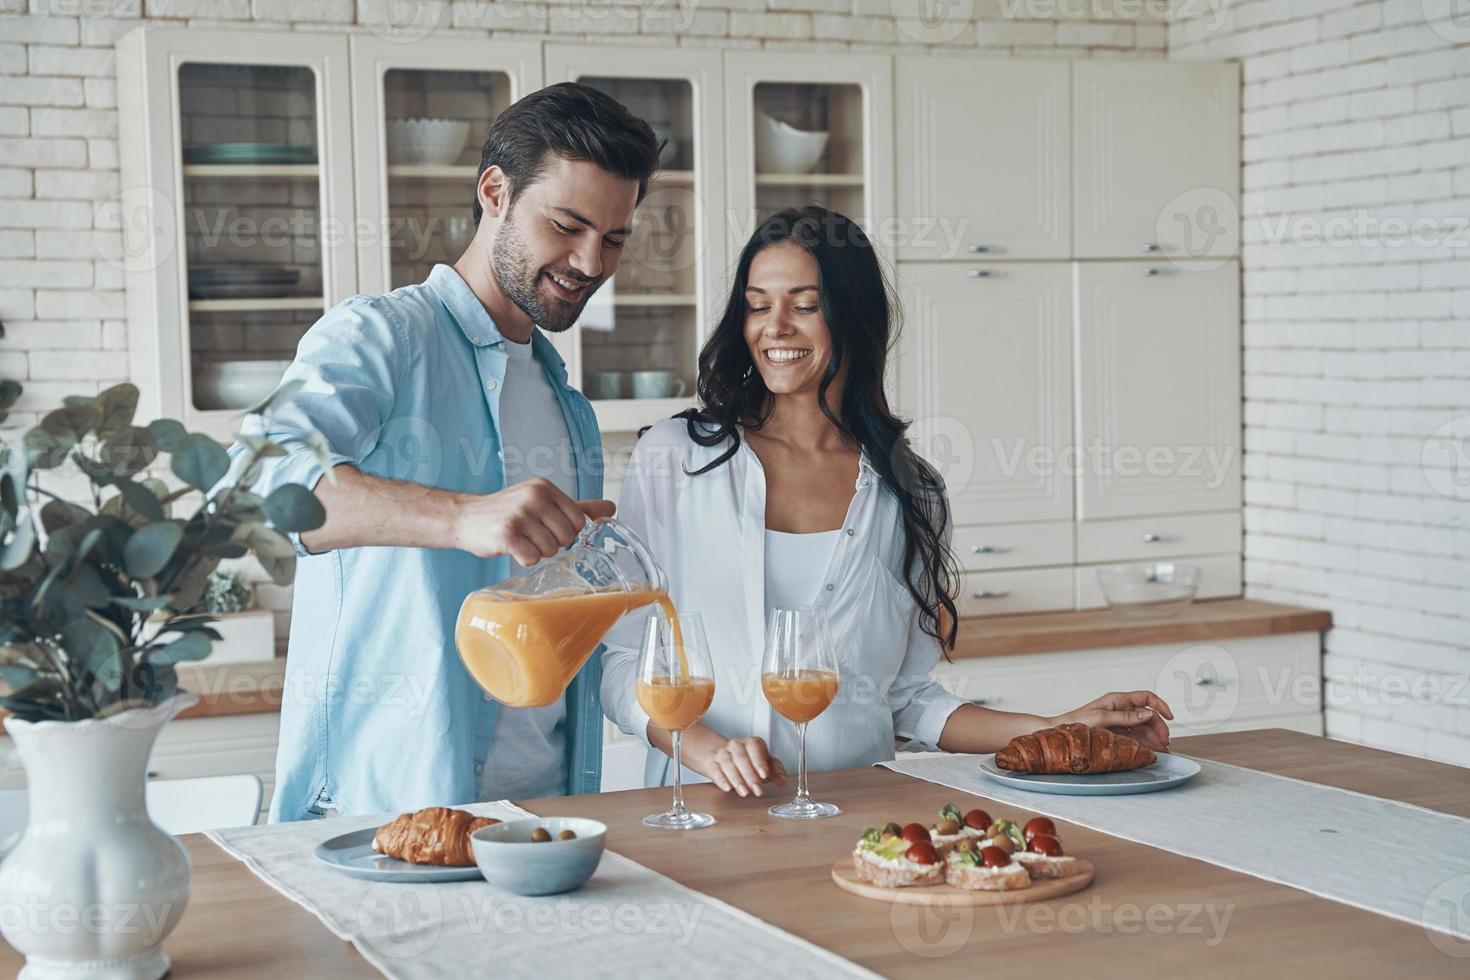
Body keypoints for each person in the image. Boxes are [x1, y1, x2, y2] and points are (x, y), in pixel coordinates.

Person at [601, 206, 1174, 796]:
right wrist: (703, 747)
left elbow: (904, 700)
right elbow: (622, 665)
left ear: (853, 317)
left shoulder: (911, 491)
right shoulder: (677, 460)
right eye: (756, 304)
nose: (775, 327)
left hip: (855, 819)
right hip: (697, 818)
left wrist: (1054, 726)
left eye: (804, 305)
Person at [233, 83, 662, 820]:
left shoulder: (568, 405)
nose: (591, 261)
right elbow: (259, 486)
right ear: (494, 191)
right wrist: (463, 517)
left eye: (614, 238)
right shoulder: (383, 336)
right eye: (567, 225)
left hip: (544, 811)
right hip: (390, 813)